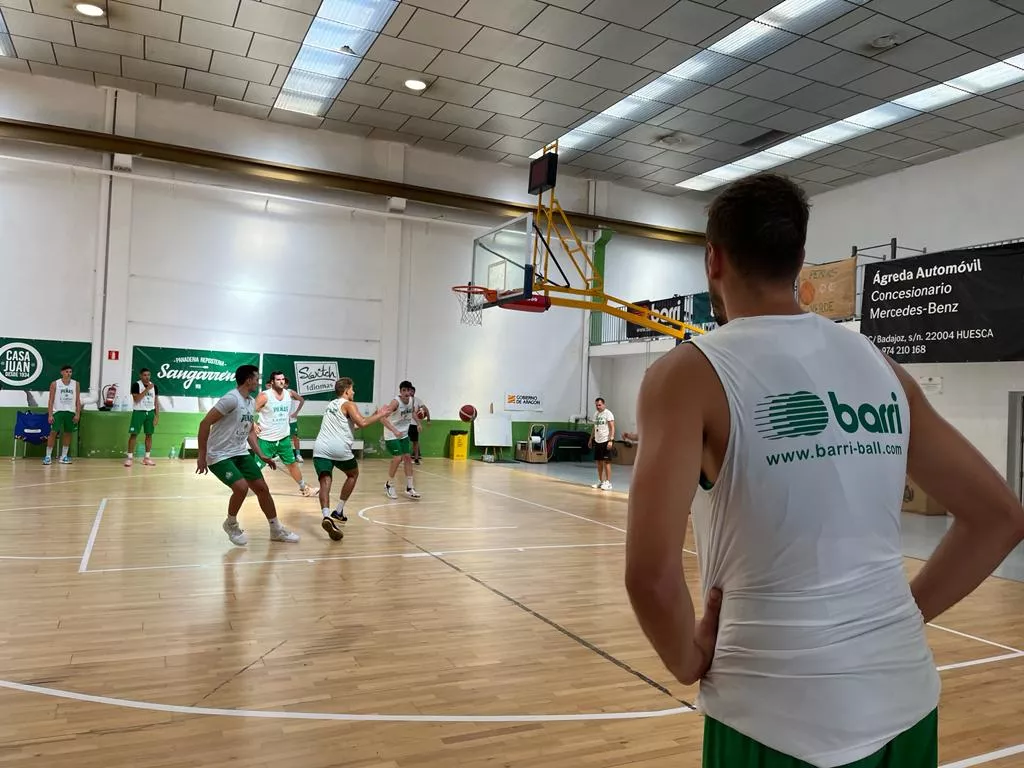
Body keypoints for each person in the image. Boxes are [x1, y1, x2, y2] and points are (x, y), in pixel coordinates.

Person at [624, 173, 1024, 768]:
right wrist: (899, 616)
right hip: (903, 701)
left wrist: (687, 661)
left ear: (714, 259)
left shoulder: (686, 374)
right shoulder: (880, 366)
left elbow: (651, 575)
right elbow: (1000, 518)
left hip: (771, 714)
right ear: (800, 262)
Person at [196, 364, 300, 546]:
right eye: (256, 378)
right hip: (219, 454)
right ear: (248, 380)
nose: (258, 382)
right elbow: (204, 424)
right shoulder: (231, 399)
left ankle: (276, 530)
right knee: (241, 487)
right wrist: (202, 454)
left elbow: (250, 429)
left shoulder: (250, 401)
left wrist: (261, 455)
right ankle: (231, 524)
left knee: (262, 488)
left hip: (239, 452)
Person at [313, 377, 389, 541]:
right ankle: (339, 510)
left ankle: (327, 516)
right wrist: (381, 414)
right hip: (339, 448)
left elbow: (351, 424)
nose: (353, 392)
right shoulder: (349, 404)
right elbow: (361, 423)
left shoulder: (331, 405)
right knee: (353, 474)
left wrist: (375, 415)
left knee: (325, 480)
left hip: (320, 448)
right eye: (352, 389)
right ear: (346, 391)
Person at [253, 371, 313, 496]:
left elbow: (301, 400)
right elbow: (248, 410)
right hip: (266, 439)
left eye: (283, 379)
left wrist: (295, 413)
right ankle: (242, 485)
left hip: (284, 438)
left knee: (292, 465)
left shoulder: (289, 394)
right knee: (255, 468)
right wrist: (253, 424)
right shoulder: (264, 396)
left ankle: (304, 488)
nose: (281, 381)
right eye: (278, 379)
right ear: (272, 382)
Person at [381, 380, 421, 499]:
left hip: (403, 434)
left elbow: (412, 411)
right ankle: (389, 484)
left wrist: (418, 423)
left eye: (409, 390)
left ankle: (409, 487)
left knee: (408, 458)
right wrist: (394, 431)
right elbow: (382, 418)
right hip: (391, 434)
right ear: (400, 391)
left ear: (411, 391)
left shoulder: (412, 400)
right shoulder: (395, 403)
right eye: (404, 390)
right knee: (398, 458)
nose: (407, 393)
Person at [44, 365, 81, 465]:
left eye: (70, 372)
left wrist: (78, 413)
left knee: (68, 433)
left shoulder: (76, 384)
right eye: (66, 372)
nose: (68, 373)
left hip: (70, 412)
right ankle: (48, 456)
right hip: (58, 411)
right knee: (53, 432)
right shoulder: (55, 383)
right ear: (62, 372)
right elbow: (51, 400)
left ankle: (63, 456)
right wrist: (50, 414)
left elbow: (78, 400)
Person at [125, 367, 159, 467]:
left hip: (150, 413)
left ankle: (147, 458)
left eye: (148, 375)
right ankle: (130, 458)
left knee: (149, 435)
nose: (147, 377)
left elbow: (156, 402)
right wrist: (147, 389)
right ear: (140, 376)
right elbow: (137, 399)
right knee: (133, 434)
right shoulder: (136, 385)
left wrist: (157, 415)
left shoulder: (154, 386)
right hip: (139, 412)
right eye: (144, 375)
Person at [588, 397, 615, 490]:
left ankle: (608, 482)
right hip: (598, 441)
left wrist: (611, 440)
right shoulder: (596, 414)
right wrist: (591, 439)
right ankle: (601, 481)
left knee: (606, 462)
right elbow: (594, 427)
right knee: (599, 462)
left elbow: (612, 427)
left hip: (606, 440)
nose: (598, 407)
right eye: (596, 405)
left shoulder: (608, 414)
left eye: (599, 405)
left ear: (604, 404)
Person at [408, 385, 430, 465]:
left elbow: (426, 409)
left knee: (415, 442)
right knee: (404, 441)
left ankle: (416, 459)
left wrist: (428, 420)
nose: (410, 392)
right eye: (409, 390)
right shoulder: (404, 401)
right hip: (405, 424)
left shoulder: (417, 400)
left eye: (412, 391)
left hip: (414, 424)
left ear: (414, 392)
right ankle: (404, 458)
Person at [285, 376, 304, 463]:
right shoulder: (276, 394)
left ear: (287, 384)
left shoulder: (290, 392)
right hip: (282, 421)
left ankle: (298, 455)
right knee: (283, 438)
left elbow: (301, 400)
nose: (283, 384)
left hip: (292, 420)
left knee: (295, 437)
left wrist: (296, 412)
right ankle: (284, 455)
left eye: (285, 383)